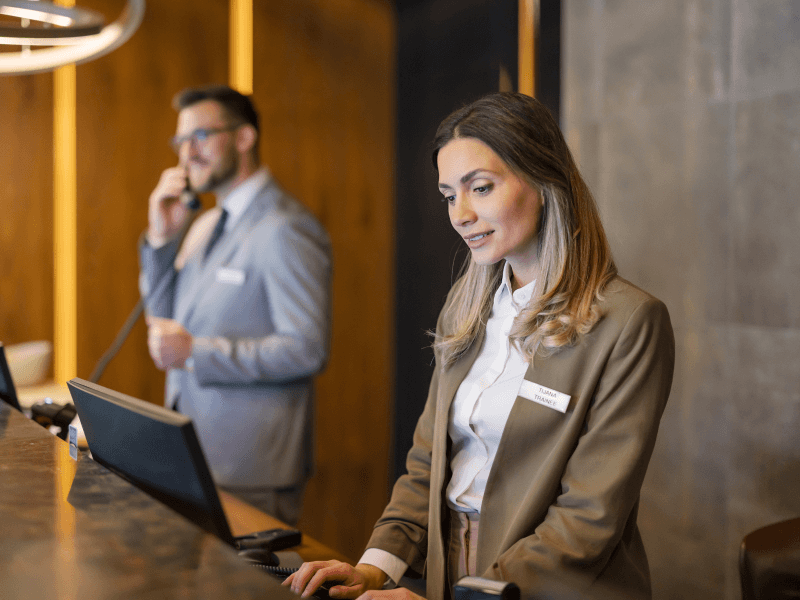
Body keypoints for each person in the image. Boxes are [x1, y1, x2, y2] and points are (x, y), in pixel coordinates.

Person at [285, 92, 675, 599]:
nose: (460, 214)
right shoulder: (465, 306)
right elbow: (428, 463)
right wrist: (376, 567)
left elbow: (587, 519)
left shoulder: (630, 322)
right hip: (455, 569)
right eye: (449, 195)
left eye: (481, 188)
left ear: (544, 181)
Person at [140, 85, 332, 526]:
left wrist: (197, 353)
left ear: (244, 138)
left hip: (251, 469)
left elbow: (306, 349)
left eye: (201, 136)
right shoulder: (203, 223)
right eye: (181, 141)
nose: (188, 152)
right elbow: (162, 320)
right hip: (190, 453)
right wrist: (161, 238)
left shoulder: (286, 227)